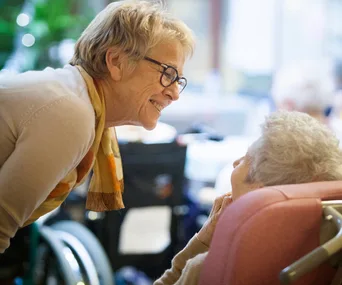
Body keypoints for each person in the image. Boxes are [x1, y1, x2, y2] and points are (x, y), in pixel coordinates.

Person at [0, 0, 195, 255]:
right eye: (168, 73)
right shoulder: (70, 113)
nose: (175, 94)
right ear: (115, 61)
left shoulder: (74, 97)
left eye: (178, 80)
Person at [154, 110, 342, 285]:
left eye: (245, 158)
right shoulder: (329, 255)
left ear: (261, 190)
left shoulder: (209, 269)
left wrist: (200, 243)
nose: (235, 162)